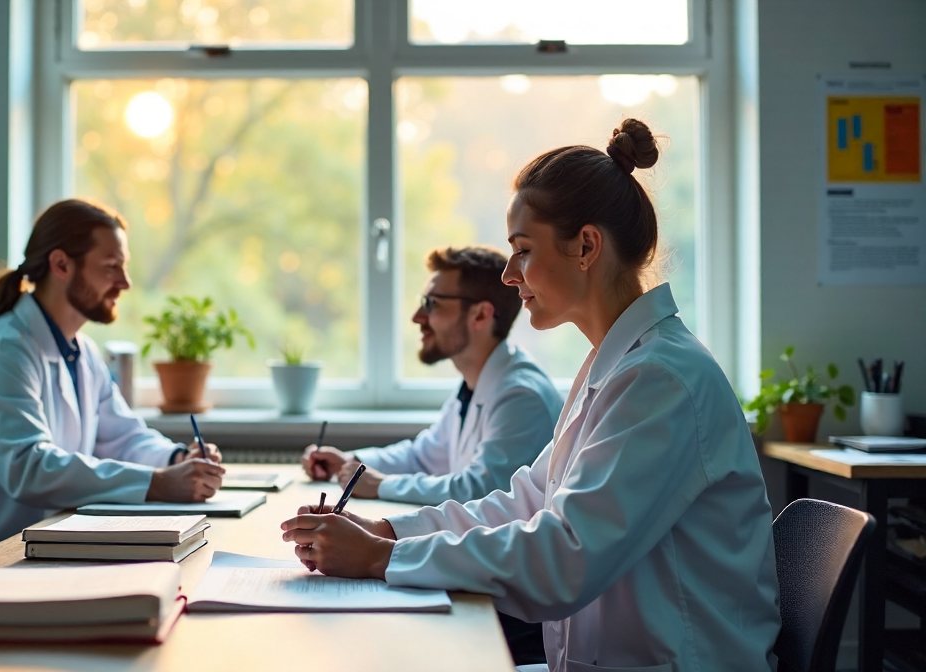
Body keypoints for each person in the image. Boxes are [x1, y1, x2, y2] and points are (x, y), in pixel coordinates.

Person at [280, 119, 781, 671]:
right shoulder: (619, 365)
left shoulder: (662, 379)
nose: (509, 277)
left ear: (586, 246)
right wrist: (388, 530)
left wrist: (385, 557)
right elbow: (523, 502)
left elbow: (566, 556)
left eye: (522, 251)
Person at [0, 200, 225, 557]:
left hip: (43, 545)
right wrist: (157, 484)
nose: (124, 283)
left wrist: (175, 460)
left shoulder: (80, 350)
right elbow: (29, 468)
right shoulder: (3, 352)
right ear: (61, 264)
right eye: (111, 267)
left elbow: (122, 437)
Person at [302, 246, 562, 507]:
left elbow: (481, 490)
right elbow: (423, 457)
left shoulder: (521, 398)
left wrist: (382, 485)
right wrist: (349, 462)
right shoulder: (474, 385)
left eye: (432, 304)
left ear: (480, 314)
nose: (417, 317)